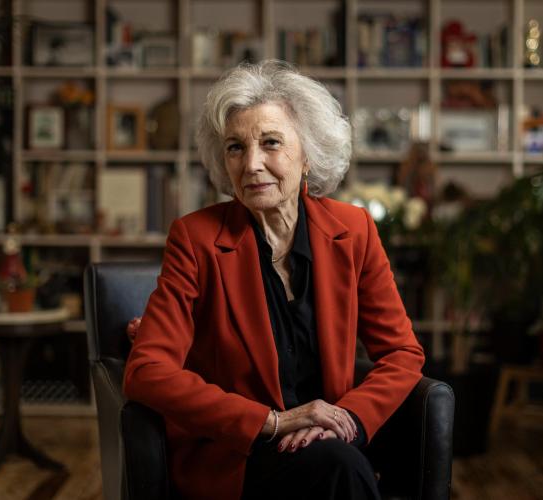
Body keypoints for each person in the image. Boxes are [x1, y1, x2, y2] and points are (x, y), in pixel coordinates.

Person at [123, 60, 425, 500]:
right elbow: (147, 372)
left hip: (331, 440)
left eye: (271, 143)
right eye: (235, 147)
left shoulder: (353, 230)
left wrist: (348, 420)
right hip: (241, 451)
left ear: (308, 155)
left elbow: (401, 353)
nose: (252, 164)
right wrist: (273, 422)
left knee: (341, 461)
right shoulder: (196, 239)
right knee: (341, 469)